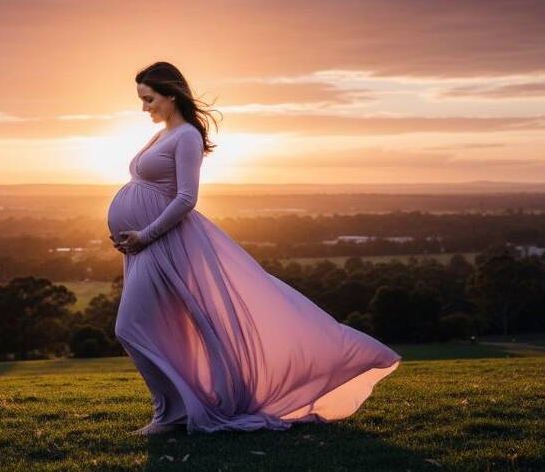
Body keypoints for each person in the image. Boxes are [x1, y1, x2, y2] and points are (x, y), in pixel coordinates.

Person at [107, 61, 402, 436]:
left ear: (170, 94)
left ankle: (168, 416)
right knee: (163, 328)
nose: (144, 108)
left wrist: (145, 234)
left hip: (164, 244)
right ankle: (176, 411)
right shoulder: (163, 133)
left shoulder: (186, 137)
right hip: (143, 248)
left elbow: (186, 198)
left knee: (130, 326)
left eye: (148, 99)